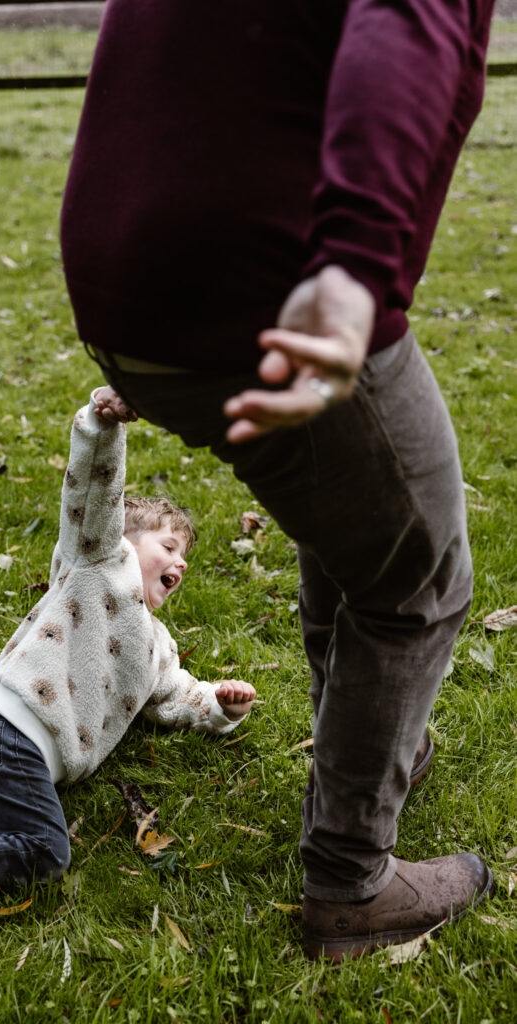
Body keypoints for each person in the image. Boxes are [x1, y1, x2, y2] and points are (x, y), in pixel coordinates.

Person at [59, 0, 496, 960]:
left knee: (353, 516)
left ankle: (380, 752)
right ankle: (349, 882)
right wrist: (353, 265)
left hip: (124, 281)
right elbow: (401, 37)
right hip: (268, 286)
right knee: (416, 578)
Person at [0, 386, 256, 964]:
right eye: (169, 545)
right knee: (44, 852)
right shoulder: (99, 564)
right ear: (129, 545)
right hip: (12, 738)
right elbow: (93, 496)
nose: (180, 562)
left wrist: (223, 706)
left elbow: (180, 699)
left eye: (185, 557)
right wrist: (103, 429)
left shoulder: (159, 649)